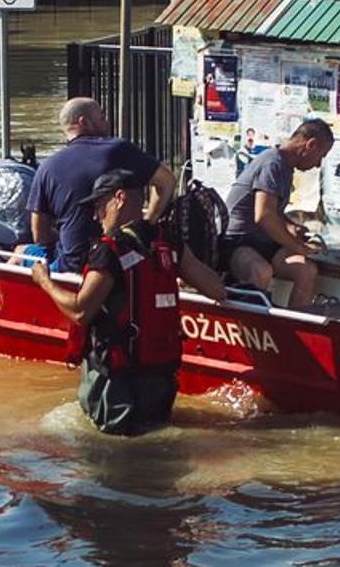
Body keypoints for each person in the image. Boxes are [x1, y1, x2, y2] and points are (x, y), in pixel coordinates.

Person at [29, 169, 227, 435]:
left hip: (116, 386)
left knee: (109, 462)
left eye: (100, 205)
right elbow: (216, 289)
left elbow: (79, 311)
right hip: (161, 380)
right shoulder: (167, 242)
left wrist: (44, 281)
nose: (95, 215)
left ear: (119, 199)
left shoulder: (109, 251)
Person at [26, 97, 175, 272]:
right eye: (102, 117)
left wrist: (67, 235)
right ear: (84, 122)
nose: (107, 122)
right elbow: (167, 181)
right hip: (125, 258)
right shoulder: (119, 150)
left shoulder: (46, 168)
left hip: (74, 265)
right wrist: (148, 222)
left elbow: (39, 235)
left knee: (20, 252)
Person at [217, 119, 336, 306]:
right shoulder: (273, 164)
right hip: (238, 242)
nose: (318, 164)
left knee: (306, 271)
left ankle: (294, 325)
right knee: (261, 272)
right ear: (310, 145)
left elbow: (273, 212)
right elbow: (263, 216)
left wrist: (290, 226)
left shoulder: (284, 166)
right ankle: (251, 325)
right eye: (321, 156)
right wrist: (298, 247)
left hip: (264, 243)